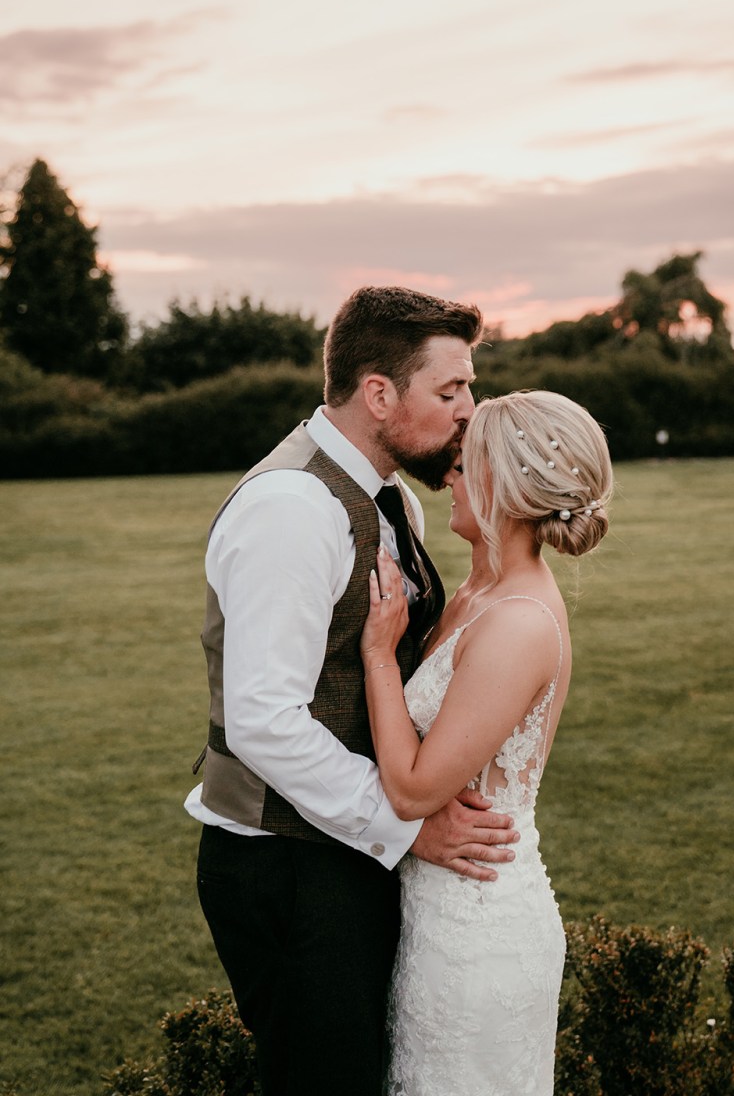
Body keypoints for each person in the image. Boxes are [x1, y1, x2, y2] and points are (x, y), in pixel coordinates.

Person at [184, 285, 520, 1096]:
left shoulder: (389, 494)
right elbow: (265, 720)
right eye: (449, 391)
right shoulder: (292, 510)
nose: (470, 411)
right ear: (379, 394)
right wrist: (407, 828)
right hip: (289, 869)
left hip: (342, 851)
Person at [359, 389, 613, 1096]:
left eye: (464, 465)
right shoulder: (474, 591)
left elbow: (413, 788)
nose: (447, 476)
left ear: (503, 484)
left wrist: (380, 656)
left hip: (479, 933)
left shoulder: (520, 620)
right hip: (433, 910)